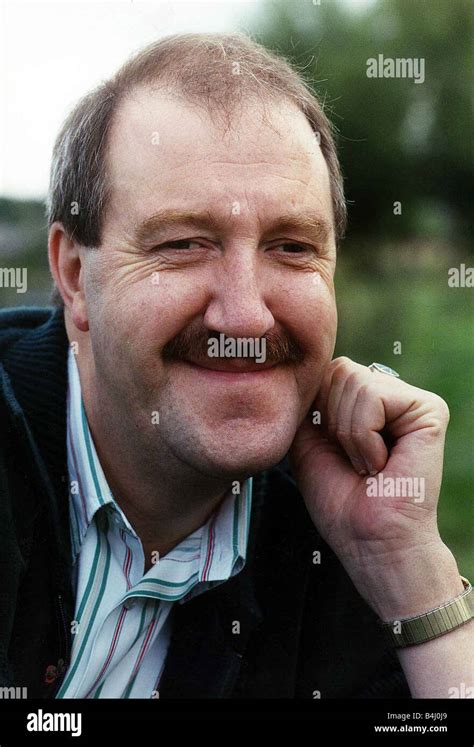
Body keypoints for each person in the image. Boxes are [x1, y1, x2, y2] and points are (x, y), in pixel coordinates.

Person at [0, 32, 472, 700]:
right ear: (75, 276)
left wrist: (407, 567)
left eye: (291, 246)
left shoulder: (338, 529)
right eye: (184, 244)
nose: (246, 316)